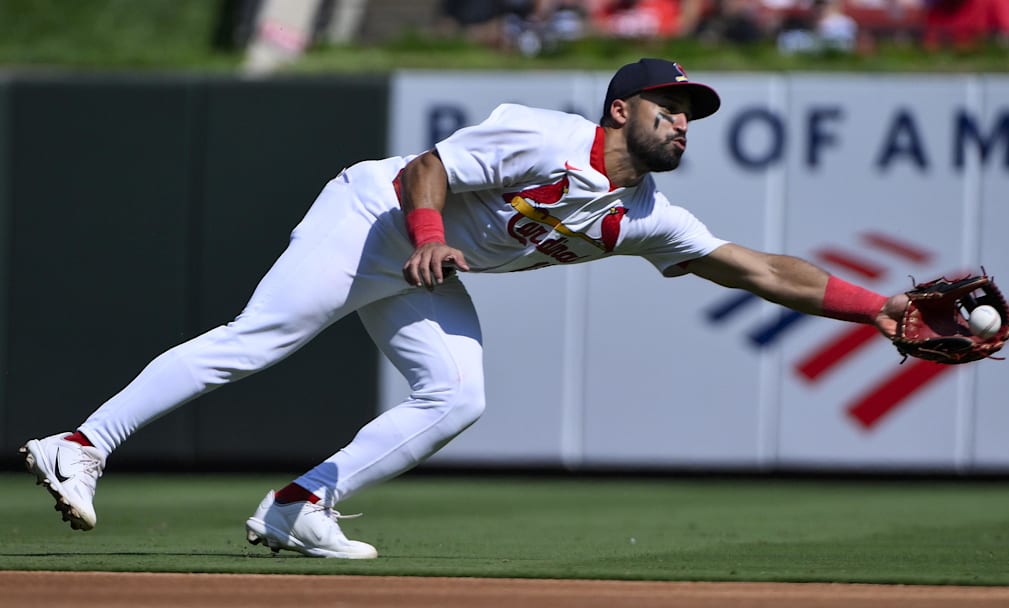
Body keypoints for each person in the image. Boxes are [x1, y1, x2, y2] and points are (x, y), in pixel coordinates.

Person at [20, 58, 911, 560]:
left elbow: (759, 271)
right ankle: (82, 444)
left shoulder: (646, 217)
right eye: (669, 106)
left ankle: (297, 506)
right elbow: (421, 171)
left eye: (690, 113)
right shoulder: (547, 133)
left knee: (457, 394)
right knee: (260, 341)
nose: (682, 121)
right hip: (376, 217)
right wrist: (426, 233)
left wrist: (879, 309)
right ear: (622, 108)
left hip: (425, 256)